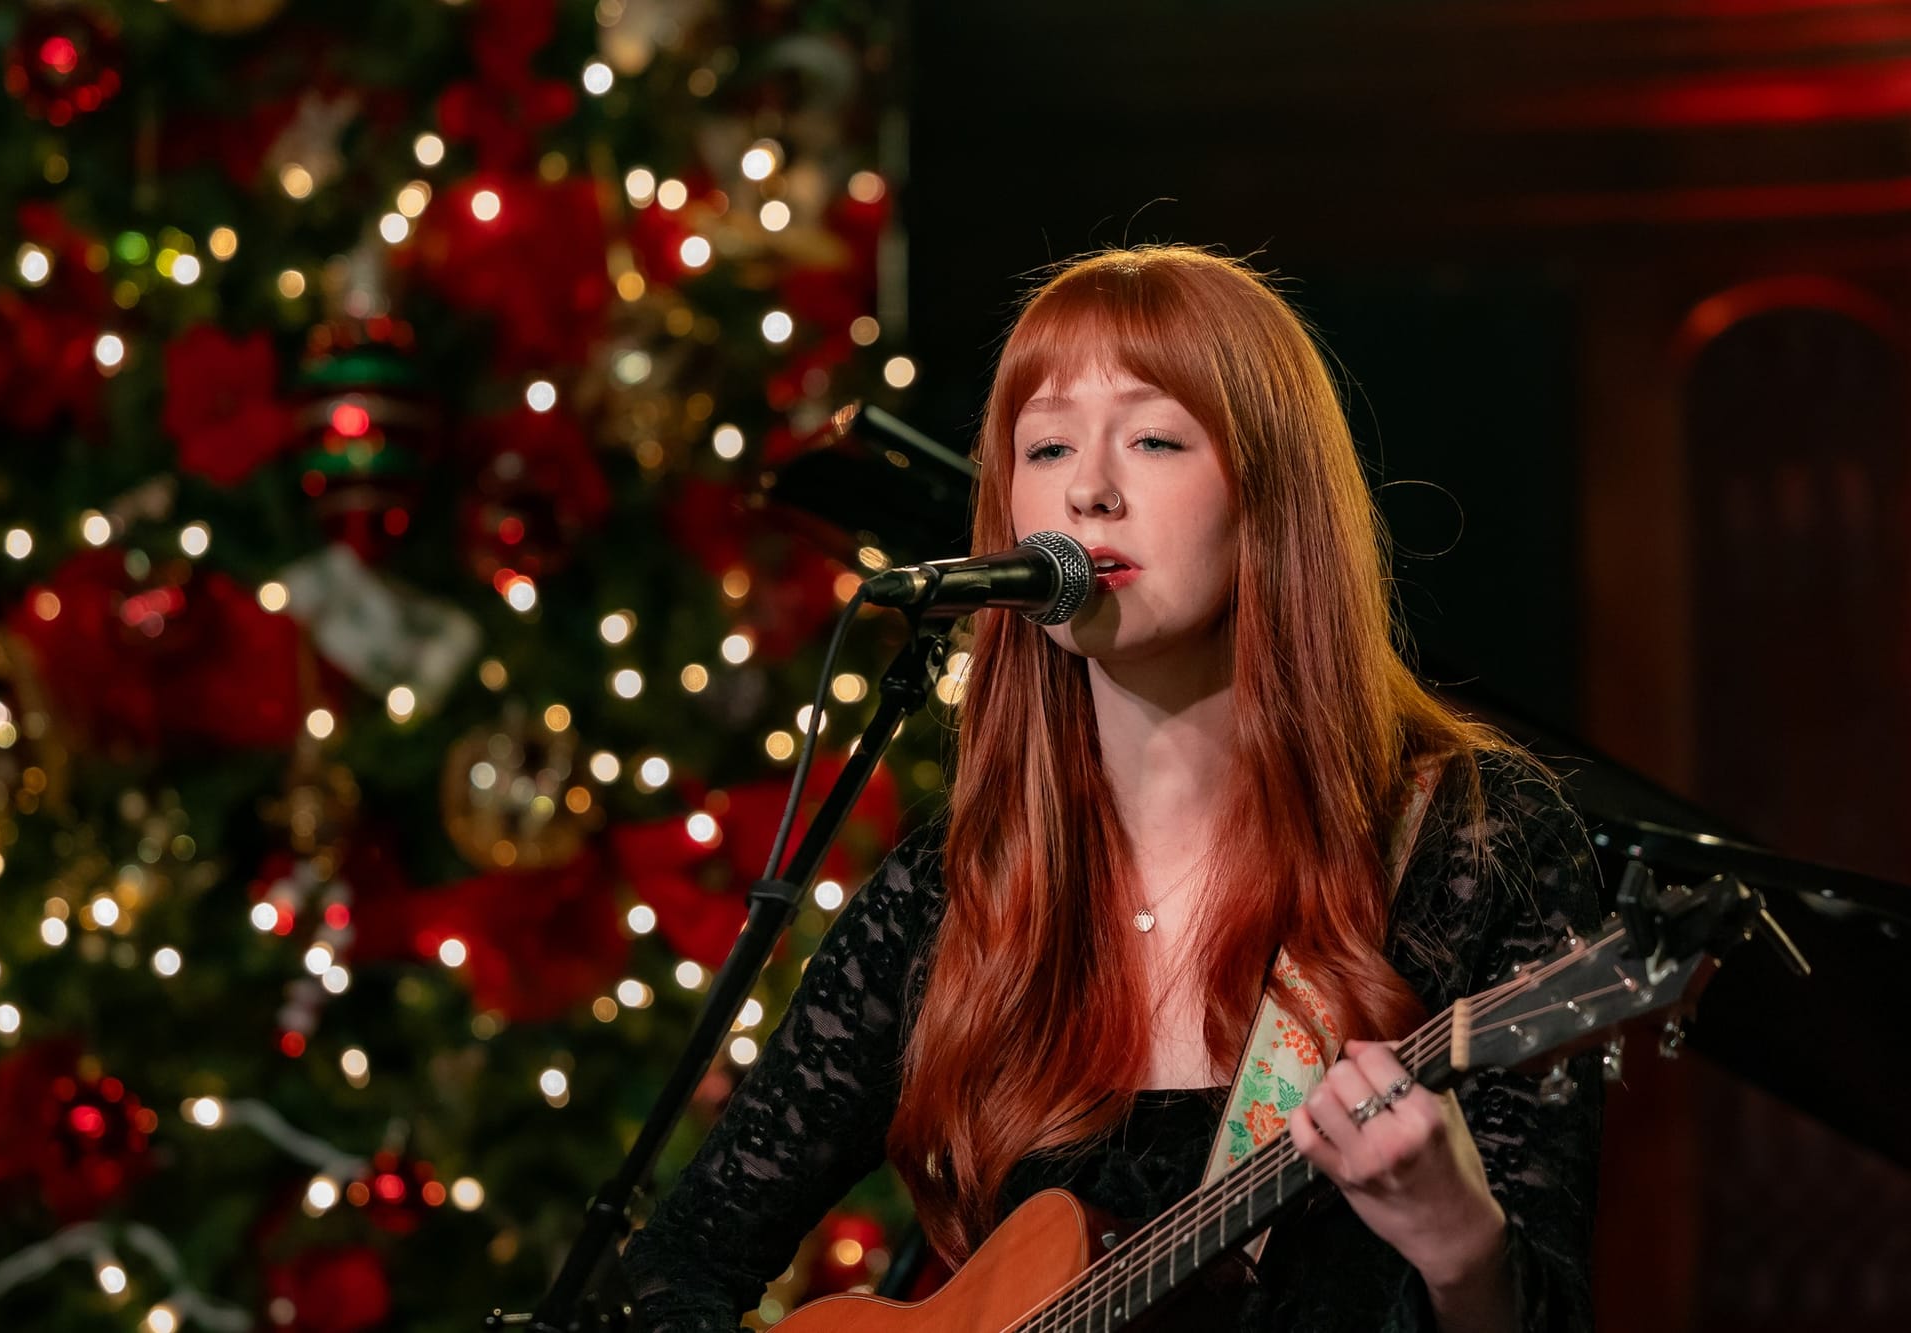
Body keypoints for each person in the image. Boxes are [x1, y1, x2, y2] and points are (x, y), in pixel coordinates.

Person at [622, 246, 1603, 1331]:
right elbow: (675, 1266)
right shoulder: (950, 891)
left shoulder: (1466, 846)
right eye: (1044, 447)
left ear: (1270, 495)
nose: (1086, 488)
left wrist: (1460, 1243)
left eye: (1151, 438)